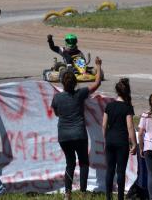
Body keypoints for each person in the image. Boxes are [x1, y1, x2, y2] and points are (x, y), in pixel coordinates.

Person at [51, 57, 102, 200]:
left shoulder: (57, 98)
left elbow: (56, 113)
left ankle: (67, 193)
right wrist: (98, 66)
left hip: (64, 136)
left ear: (62, 83)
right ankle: (83, 192)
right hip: (79, 134)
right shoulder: (80, 94)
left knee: (70, 163)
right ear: (75, 83)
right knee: (84, 162)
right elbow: (97, 83)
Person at [102, 78, 137, 200]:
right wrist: (134, 143)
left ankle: (108, 196)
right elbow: (130, 126)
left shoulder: (109, 106)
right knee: (121, 171)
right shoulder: (127, 107)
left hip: (110, 140)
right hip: (122, 142)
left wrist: (105, 139)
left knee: (110, 170)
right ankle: (120, 197)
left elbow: (104, 125)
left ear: (117, 91)